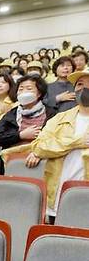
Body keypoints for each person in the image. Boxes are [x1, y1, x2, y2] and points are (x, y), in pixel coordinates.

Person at [31, 68, 89, 219]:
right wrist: (76, 142)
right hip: (57, 197)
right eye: (80, 84)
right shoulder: (59, 118)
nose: (84, 89)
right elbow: (38, 147)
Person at [0, 74, 55, 152]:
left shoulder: (51, 114)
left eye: (29, 89)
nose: (24, 92)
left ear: (39, 93)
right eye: (21, 89)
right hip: (13, 156)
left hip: (42, 156)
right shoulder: (12, 115)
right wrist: (20, 135)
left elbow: (57, 138)